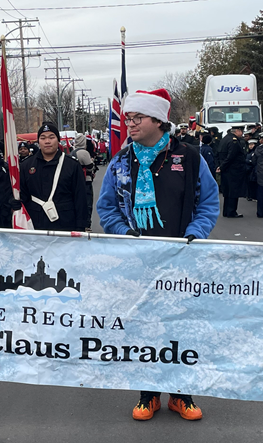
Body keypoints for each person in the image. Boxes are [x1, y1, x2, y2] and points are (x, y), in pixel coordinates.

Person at [97, 88, 218, 421]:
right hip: (138, 260)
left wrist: (195, 234)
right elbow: (107, 208)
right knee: (143, 326)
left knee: (179, 325)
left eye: (137, 118)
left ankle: (180, 394)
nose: (130, 124)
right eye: (128, 118)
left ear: (159, 121)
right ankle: (147, 392)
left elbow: (208, 202)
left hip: (181, 258)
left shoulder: (190, 157)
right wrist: (125, 234)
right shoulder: (121, 161)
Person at [19, 122, 87, 232]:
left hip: (65, 225)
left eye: (51, 137)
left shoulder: (72, 165)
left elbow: (81, 198)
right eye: (43, 138)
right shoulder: (26, 166)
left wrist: (81, 226)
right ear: (38, 141)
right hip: (36, 225)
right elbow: (23, 195)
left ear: (58, 139)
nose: (47, 141)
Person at [218, 125, 246, 218]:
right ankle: (231, 211)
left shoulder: (225, 139)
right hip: (233, 170)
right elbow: (231, 156)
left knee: (227, 191)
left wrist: (221, 166)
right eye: (241, 131)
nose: (242, 134)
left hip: (226, 169)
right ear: (237, 131)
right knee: (233, 191)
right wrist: (222, 166)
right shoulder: (233, 141)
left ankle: (226, 211)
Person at [70, 133, 96, 230]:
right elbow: (89, 166)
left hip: (75, 181)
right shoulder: (84, 153)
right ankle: (87, 224)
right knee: (88, 203)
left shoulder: (72, 152)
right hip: (86, 180)